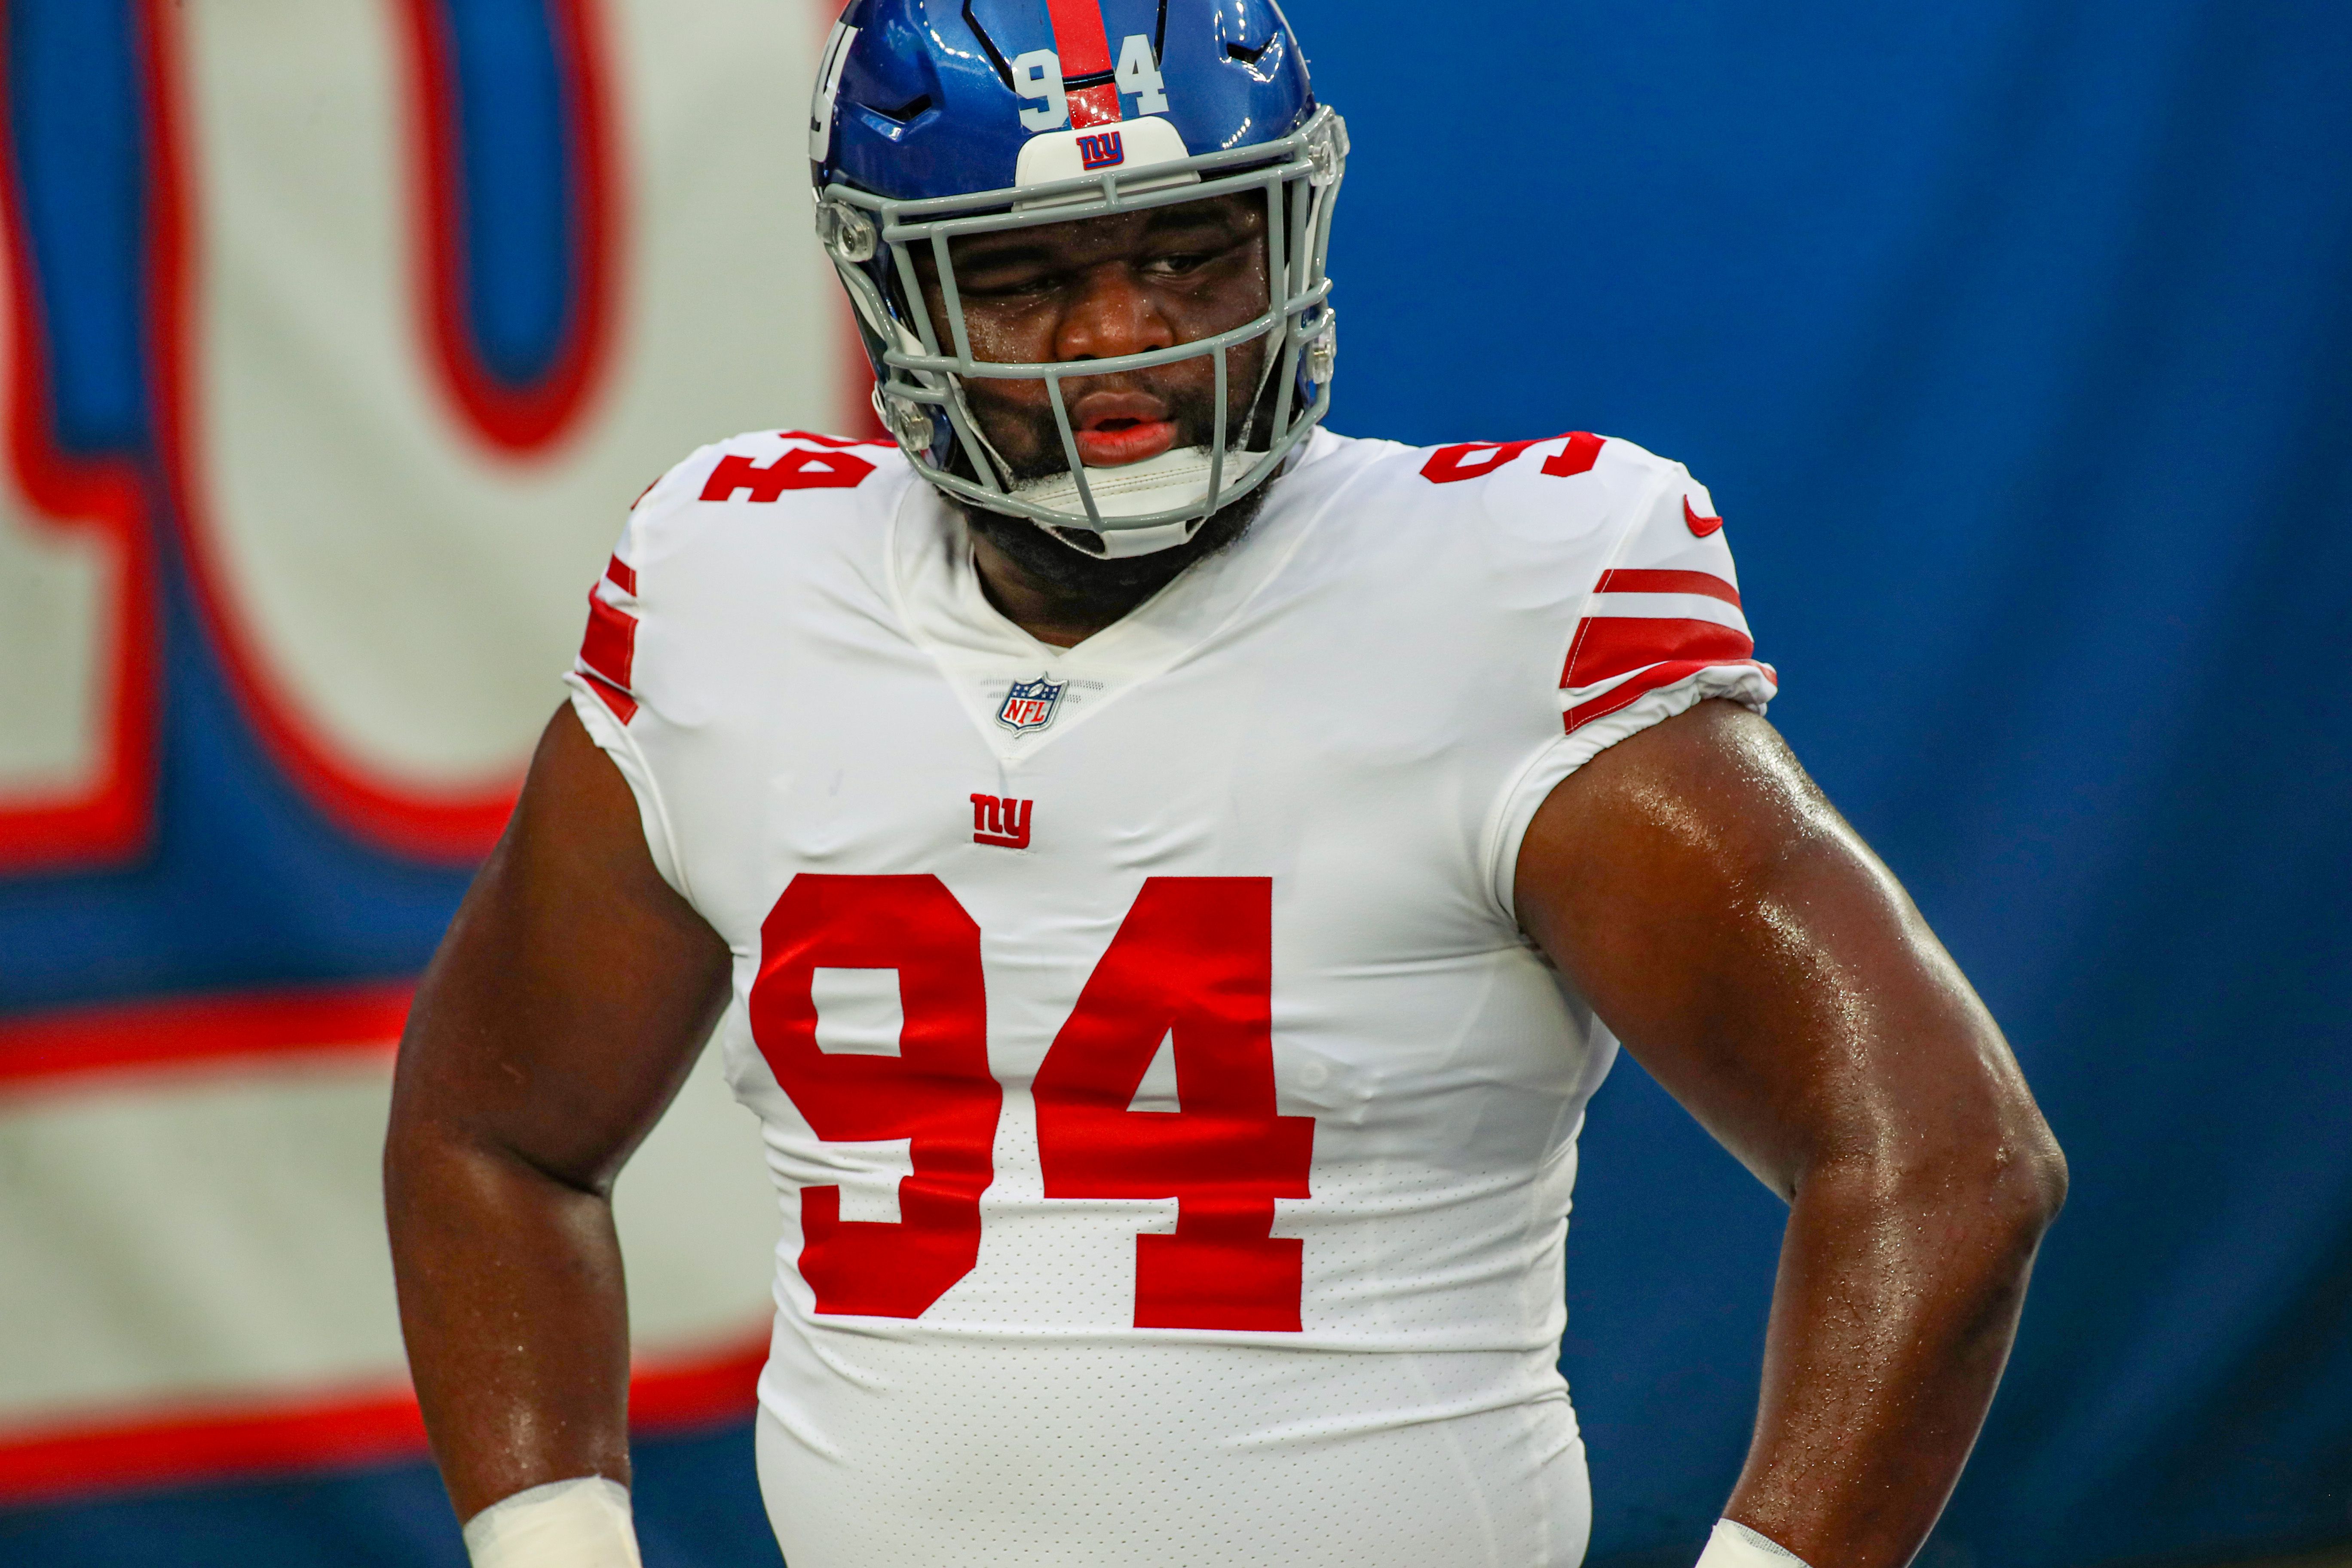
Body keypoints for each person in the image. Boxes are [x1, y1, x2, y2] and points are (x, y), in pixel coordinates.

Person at [384, 3, 2067, 1565]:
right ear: (893, 292)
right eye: (1027, 274)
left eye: (1190, 249)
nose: (1125, 335)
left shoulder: (1501, 599)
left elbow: (1941, 1155)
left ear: (1291, 226)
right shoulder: (736, 592)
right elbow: (492, 1136)